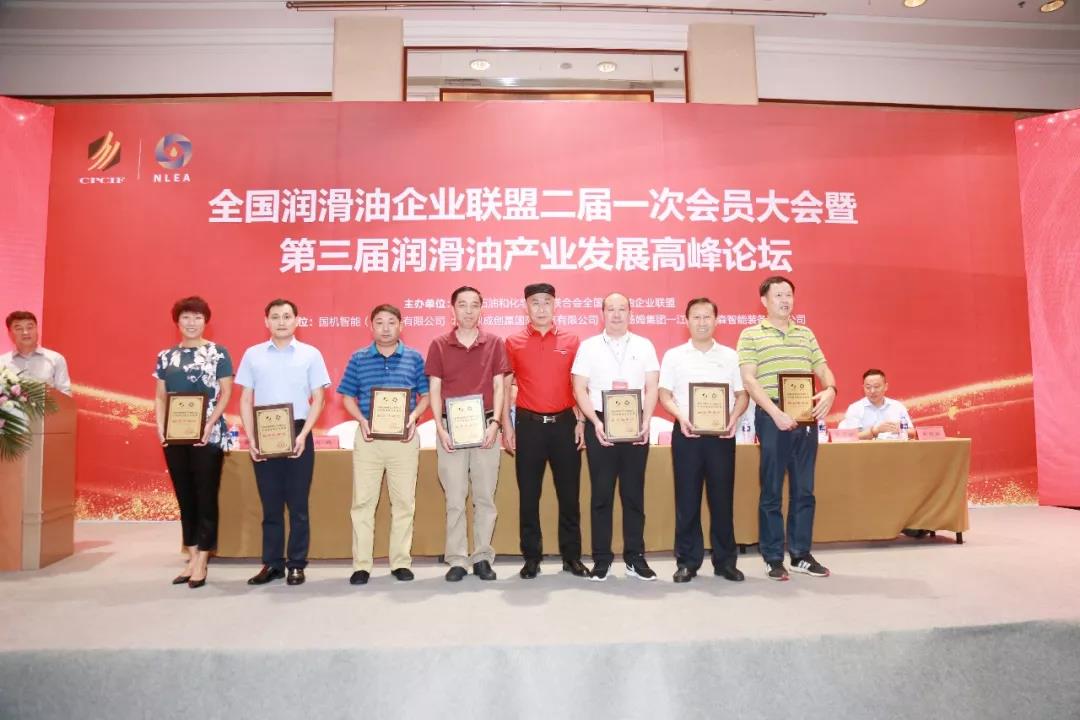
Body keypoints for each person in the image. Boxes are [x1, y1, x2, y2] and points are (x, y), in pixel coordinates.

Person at [737, 276, 837, 581]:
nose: (785, 300)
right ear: (764, 301)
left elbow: (822, 368)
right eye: (778, 295)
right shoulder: (751, 335)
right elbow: (749, 379)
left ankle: (801, 554)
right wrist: (775, 413)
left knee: (804, 489)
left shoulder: (805, 334)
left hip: (804, 415)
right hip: (772, 416)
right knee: (771, 490)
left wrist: (831, 389)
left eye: (788, 295)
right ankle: (772, 557)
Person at [236, 298, 330, 587]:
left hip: (299, 431)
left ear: (297, 321)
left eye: (287, 316)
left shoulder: (311, 354)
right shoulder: (252, 355)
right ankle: (273, 564)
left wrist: (303, 435)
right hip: (264, 433)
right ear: (266, 321)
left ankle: (297, 564)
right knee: (271, 505)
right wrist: (251, 438)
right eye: (275, 317)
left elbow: (319, 399)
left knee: (298, 505)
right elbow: (245, 399)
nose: (281, 322)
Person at [658, 297, 749, 584]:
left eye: (707, 316)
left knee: (722, 500)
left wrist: (733, 417)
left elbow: (742, 395)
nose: (701, 322)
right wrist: (680, 417)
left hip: (722, 436)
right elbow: (664, 395)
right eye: (695, 317)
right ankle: (687, 562)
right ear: (686, 321)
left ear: (716, 321)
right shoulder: (674, 356)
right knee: (687, 500)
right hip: (686, 435)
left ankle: (725, 562)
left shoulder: (731, 356)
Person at [338, 304, 430, 585]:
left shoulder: (414, 358)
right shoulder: (359, 358)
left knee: (403, 503)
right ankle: (361, 565)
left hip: (404, 440)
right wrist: (361, 420)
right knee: (363, 503)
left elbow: (426, 396)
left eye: (392, 322)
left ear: (401, 326)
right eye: (380, 322)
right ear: (370, 326)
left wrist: (413, 417)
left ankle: (400, 562)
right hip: (369, 440)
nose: (386, 328)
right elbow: (347, 396)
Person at [502, 283, 589, 580]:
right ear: (525, 306)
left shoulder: (572, 341)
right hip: (528, 426)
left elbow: (580, 386)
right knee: (529, 496)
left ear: (555, 305)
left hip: (565, 425)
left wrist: (581, 422)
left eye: (547, 302)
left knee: (569, 496)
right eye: (535, 302)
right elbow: (505, 386)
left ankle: (572, 557)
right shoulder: (513, 342)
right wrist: (506, 425)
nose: (541, 308)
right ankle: (531, 558)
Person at [571, 292, 659, 582]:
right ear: (602, 313)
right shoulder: (589, 347)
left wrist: (646, 421)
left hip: (635, 424)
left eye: (623, 309)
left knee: (634, 494)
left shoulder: (644, 345)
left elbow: (651, 387)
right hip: (600, 423)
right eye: (611, 309)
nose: (617, 314)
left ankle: (635, 557)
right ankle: (602, 560)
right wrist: (594, 422)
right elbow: (579, 388)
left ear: (631, 313)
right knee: (601, 495)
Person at [426, 287, 509, 582]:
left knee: (485, 497)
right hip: (450, 429)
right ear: (452, 309)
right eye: (462, 305)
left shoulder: (494, 343)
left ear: (482, 309)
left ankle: (483, 556)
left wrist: (496, 424)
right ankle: (458, 559)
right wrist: (439, 428)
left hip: (486, 426)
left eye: (475, 305)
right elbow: (434, 388)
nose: (469, 311)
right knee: (455, 497)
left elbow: (499, 386)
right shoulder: (439, 345)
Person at [153, 296, 233, 589]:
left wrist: (210, 423)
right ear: (177, 321)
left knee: (205, 495)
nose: (191, 323)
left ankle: (202, 558)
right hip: (175, 436)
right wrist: (160, 427)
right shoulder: (166, 356)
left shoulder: (218, 353)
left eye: (197, 317)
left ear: (205, 321)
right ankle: (191, 553)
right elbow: (160, 397)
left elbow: (225, 393)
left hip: (208, 436)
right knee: (185, 496)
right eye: (186, 317)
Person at [2, 311, 72, 395]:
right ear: (9, 333)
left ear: (36, 330)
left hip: (48, 404)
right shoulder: (2, 363)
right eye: (19, 329)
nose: (25, 332)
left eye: (30, 327)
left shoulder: (56, 359)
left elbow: (65, 393)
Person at [839, 368, 916, 440]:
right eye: (868, 387)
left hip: (894, 447)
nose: (872, 391)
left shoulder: (897, 406)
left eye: (876, 386)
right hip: (866, 449)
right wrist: (875, 431)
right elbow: (851, 437)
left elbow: (912, 433)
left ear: (886, 387)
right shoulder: (855, 408)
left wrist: (900, 430)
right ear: (863, 388)